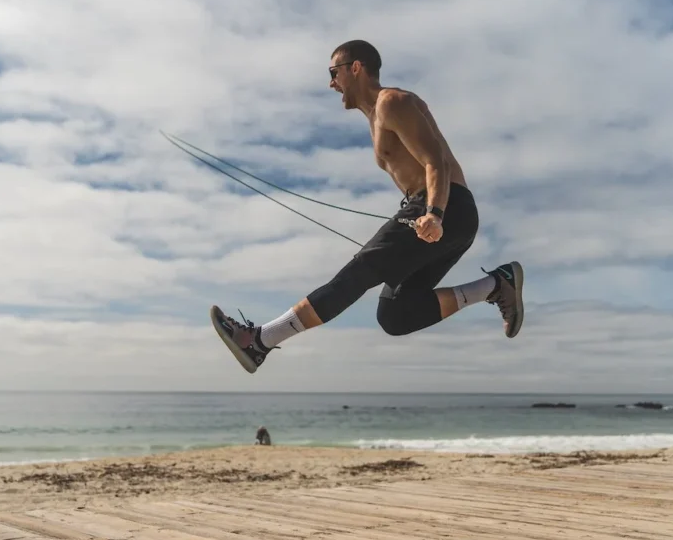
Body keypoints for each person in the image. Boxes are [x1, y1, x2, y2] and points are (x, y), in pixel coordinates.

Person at [211, 39, 524, 374]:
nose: (331, 83)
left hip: (444, 207)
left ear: (355, 68)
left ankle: (259, 341)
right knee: (395, 313)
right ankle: (495, 284)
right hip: (445, 213)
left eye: (334, 73)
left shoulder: (391, 101)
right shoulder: (376, 116)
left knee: (356, 274)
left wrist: (434, 212)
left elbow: (437, 162)